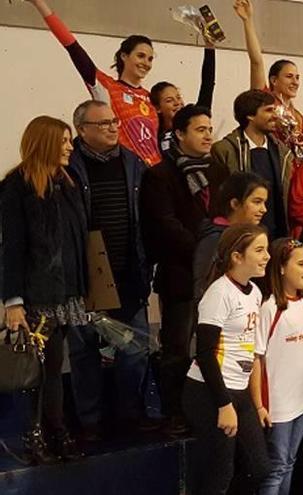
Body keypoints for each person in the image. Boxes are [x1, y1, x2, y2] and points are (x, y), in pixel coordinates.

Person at [140, 105, 230, 434]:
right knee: (177, 345)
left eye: (210, 129)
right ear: (179, 134)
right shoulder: (159, 175)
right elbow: (164, 225)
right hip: (181, 272)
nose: (208, 135)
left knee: (214, 344)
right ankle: (174, 411)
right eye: (200, 130)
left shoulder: (218, 170)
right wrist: (207, 249)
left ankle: (209, 403)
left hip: (219, 273)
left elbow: (227, 215)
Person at [3, 116, 86, 463]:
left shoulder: (66, 182)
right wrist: (13, 301)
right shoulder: (17, 186)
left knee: (55, 366)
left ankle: (55, 430)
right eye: (64, 141)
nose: (70, 147)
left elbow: (77, 240)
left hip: (66, 291)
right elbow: (11, 247)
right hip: (37, 295)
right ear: (46, 142)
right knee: (36, 368)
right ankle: (33, 436)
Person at [68, 100, 153, 434]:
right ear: (81, 130)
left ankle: (130, 415)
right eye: (102, 123)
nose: (112, 127)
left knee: (134, 350)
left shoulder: (133, 163)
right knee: (84, 351)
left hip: (129, 271)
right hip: (84, 277)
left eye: (113, 121)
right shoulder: (69, 166)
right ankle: (90, 421)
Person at [182, 224, 272, 493]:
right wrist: (223, 404)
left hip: (238, 389)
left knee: (259, 468)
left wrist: (256, 404)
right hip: (208, 391)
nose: (267, 256)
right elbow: (205, 353)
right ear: (236, 256)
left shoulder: (254, 292)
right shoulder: (219, 293)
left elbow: (251, 350)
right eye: (259, 250)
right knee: (220, 473)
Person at [27, 0, 162, 165]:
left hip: (157, 179)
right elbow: (73, 48)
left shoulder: (151, 98)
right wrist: (40, 4)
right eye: (140, 56)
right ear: (124, 56)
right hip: (130, 176)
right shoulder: (107, 88)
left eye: (150, 59)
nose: (146, 63)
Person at [249, 238, 303, 495]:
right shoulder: (270, 308)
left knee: (289, 463)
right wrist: (258, 404)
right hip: (277, 405)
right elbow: (257, 358)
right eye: (301, 264)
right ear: (282, 268)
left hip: (301, 401)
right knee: (275, 467)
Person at [237, 0, 303, 155]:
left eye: (297, 78)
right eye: (289, 76)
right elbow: (256, 62)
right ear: (274, 80)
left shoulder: (299, 117)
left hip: (294, 175)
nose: (295, 82)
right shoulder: (265, 99)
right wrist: (247, 20)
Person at [211, 90, 293, 239]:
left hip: (277, 236)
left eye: (274, 110)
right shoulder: (224, 150)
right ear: (250, 115)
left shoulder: (283, 152)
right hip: (240, 237)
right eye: (268, 110)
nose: (275, 116)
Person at [192, 172, 269, 302]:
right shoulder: (214, 238)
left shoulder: (254, 234)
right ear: (234, 203)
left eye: (264, 203)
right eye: (257, 202)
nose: (264, 209)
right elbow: (202, 287)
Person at [151, 41, 216, 157]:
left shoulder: (194, 118)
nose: (177, 103)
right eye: (169, 100)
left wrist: (209, 47)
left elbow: (208, 84)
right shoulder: (153, 134)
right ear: (157, 108)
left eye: (178, 97)